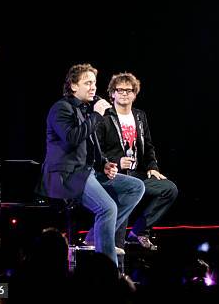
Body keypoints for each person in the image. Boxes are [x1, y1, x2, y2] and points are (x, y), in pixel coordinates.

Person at [38, 64, 145, 265]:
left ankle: (96, 237)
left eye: (94, 83)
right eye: (87, 83)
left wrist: (104, 164)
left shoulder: (86, 110)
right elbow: (71, 138)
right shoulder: (61, 108)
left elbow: (89, 147)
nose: (93, 87)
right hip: (67, 176)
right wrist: (96, 116)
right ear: (73, 86)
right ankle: (107, 266)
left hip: (86, 172)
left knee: (135, 187)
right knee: (108, 208)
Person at [95, 72, 178, 250]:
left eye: (129, 90)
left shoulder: (140, 116)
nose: (124, 93)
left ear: (135, 93)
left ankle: (139, 232)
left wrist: (152, 167)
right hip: (114, 175)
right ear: (112, 93)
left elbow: (148, 146)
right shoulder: (105, 116)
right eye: (120, 90)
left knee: (169, 189)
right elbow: (97, 149)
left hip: (137, 175)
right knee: (123, 199)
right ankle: (113, 247)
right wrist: (116, 160)